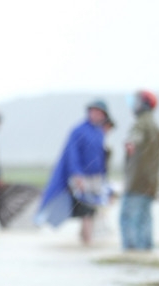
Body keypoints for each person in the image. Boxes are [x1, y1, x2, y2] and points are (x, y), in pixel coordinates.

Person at [35, 99, 112, 245]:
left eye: (99, 112)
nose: (96, 115)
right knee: (86, 210)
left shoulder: (100, 132)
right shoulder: (78, 130)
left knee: (93, 211)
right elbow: (72, 154)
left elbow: (101, 158)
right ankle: (87, 242)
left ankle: (85, 240)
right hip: (83, 177)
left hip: (97, 178)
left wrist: (104, 180)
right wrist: (77, 175)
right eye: (93, 111)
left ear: (103, 115)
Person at [120, 90, 159, 250]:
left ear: (144, 105)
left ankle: (131, 255)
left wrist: (130, 144)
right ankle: (146, 252)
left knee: (128, 218)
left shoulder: (140, 124)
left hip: (136, 183)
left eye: (137, 102)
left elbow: (134, 139)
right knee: (145, 220)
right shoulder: (156, 128)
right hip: (151, 183)